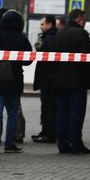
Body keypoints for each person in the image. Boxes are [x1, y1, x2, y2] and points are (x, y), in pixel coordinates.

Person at [0, 10, 32, 154]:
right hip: (14, 79)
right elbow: (28, 60)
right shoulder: (21, 37)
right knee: (12, 113)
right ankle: (9, 144)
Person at [54, 9, 90, 154]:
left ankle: (62, 143)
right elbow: (86, 58)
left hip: (60, 80)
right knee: (76, 112)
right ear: (80, 19)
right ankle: (75, 143)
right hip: (78, 80)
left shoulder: (60, 32)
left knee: (62, 111)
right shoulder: (81, 34)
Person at [32, 14, 57, 143]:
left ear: (50, 24)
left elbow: (46, 58)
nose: (41, 27)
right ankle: (45, 131)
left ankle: (48, 133)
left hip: (48, 80)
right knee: (47, 107)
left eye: (43, 24)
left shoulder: (50, 38)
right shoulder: (48, 37)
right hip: (48, 79)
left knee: (48, 107)